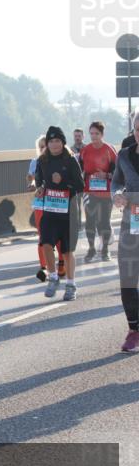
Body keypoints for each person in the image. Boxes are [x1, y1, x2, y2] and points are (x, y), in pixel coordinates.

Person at [34, 126, 85, 300]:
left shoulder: (70, 160)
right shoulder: (42, 160)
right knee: (46, 243)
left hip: (68, 212)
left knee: (67, 251)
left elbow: (80, 185)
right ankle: (53, 277)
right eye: (51, 141)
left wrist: (62, 182)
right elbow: (39, 181)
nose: (54, 144)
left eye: (57, 141)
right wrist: (40, 189)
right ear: (47, 144)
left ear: (63, 143)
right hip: (50, 210)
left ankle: (71, 284)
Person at [111, 111, 139, 352]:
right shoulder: (124, 155)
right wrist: (117, 195)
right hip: (133, 223)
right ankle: (134, 329)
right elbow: (116, 182)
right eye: (138, 129)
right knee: (127, 277)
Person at [28, 135, 65, 282]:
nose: (44, 149)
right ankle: (44, 267)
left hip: (56, 203)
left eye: (46, 145)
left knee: (58, 236)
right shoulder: (35, 162)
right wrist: (32, 185)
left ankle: (61, 263)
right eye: (41, 146)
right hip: (40, 203)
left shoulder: (61, 162)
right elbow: (30, 178)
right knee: (42, 236)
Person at [79, 121, 117, 262]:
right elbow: (79, 170)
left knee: (104, 221)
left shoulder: (109, 149)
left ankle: (105, 250)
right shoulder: (85, 150)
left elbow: (117, 171)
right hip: (89, 190)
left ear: (102, 134)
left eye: (97, 134)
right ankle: (91, 249)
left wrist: (106, 175)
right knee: (90, 220)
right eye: (91, 133)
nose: (94, 136)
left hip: (106, 191)